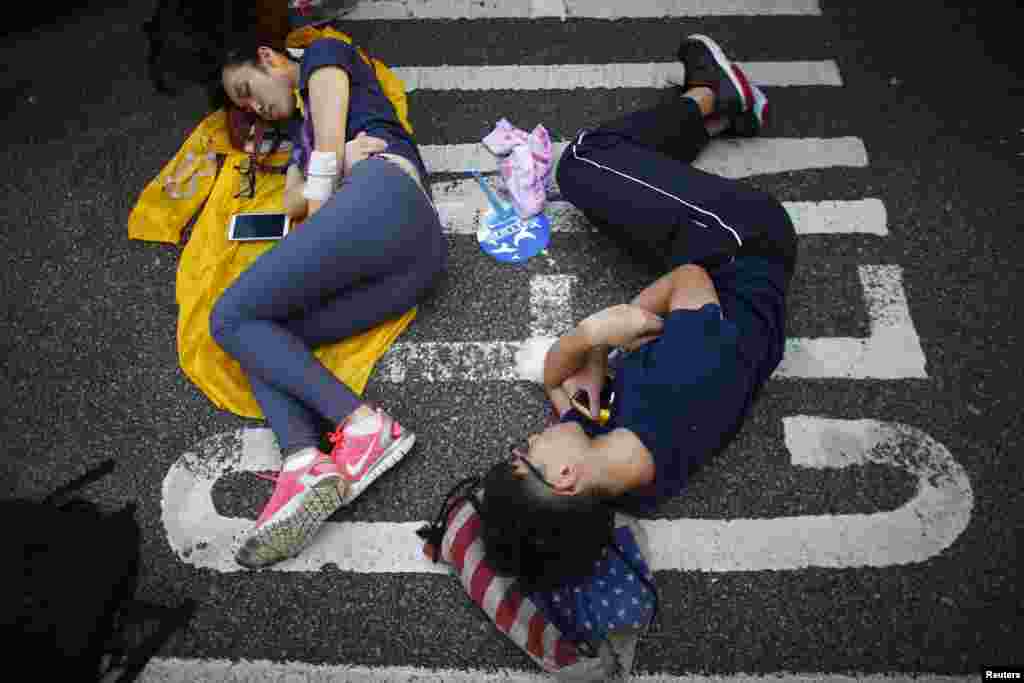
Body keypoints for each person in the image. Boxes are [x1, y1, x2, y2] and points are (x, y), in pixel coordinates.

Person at [425, 34, 796, 590]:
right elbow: (687, 281)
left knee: (610, 184)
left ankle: (698, 125)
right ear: (566, 479)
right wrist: (607, 328)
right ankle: (711, 97)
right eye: (527, 452)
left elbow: (555, 376)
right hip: (742, 246)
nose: (531, 437)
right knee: (582, 162)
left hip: (706, 293)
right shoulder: (678, 386)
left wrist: (585, 348)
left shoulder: (616, 469)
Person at [209, 31, 445, 569]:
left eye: (247, 89)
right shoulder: (299, 129)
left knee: (229, 315)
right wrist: (332, 163)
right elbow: (299, 191)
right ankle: (303, 458)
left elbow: (320, 170)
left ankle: (364, 426)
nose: (252, 107)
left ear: (268, 58)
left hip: (388, 198)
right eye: (242, 105)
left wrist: (331, 163)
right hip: (413, 262)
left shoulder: (324, 55)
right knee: (264, 338)